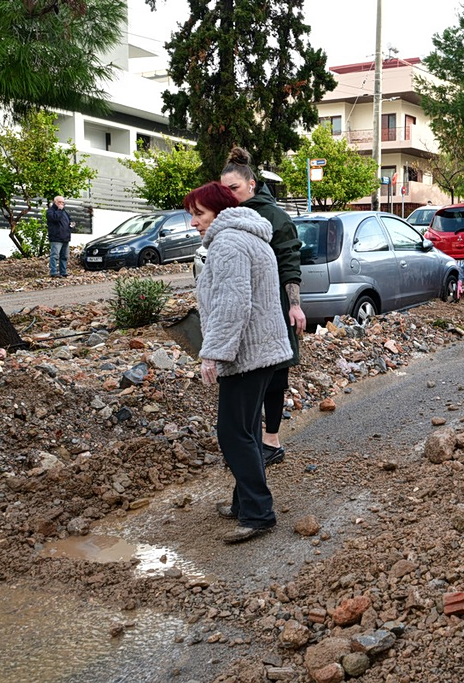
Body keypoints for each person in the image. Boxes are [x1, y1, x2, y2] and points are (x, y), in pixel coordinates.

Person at [185, 181, 293, 544]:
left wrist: (213, 353)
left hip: (246, 354)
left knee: (232, 434)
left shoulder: (229, 243)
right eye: (192, 215)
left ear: (218, 211)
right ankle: (243, 502)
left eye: (199, 214)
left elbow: (233, 305)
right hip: (264, 350)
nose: (194, 222)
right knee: (245, 432)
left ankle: (259, 513)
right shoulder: (250, 235)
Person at [220, 147, 304, 468]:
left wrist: (294, 306)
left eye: (234, 189)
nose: (229, 196)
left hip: (275, 308)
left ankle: (271, 442)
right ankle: (250, 444)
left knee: (274, 377)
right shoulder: (231, 217)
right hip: (246, 309)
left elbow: (290, 265)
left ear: (252, 185)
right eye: (224, 190)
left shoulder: (275, 217)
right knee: (249, 375)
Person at [46, 196, 72, 278]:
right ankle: (53, 272)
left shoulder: (65, 212)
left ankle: (63, 271)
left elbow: (69, 221)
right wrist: (59, 210)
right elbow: (55, 218)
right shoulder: (50, 211)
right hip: (56, 237)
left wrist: (71, 225)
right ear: (55, 202)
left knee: (64, 256)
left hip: (65, 237)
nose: (61, 204)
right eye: (59, 202)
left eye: (62, 202)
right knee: (55, 256)